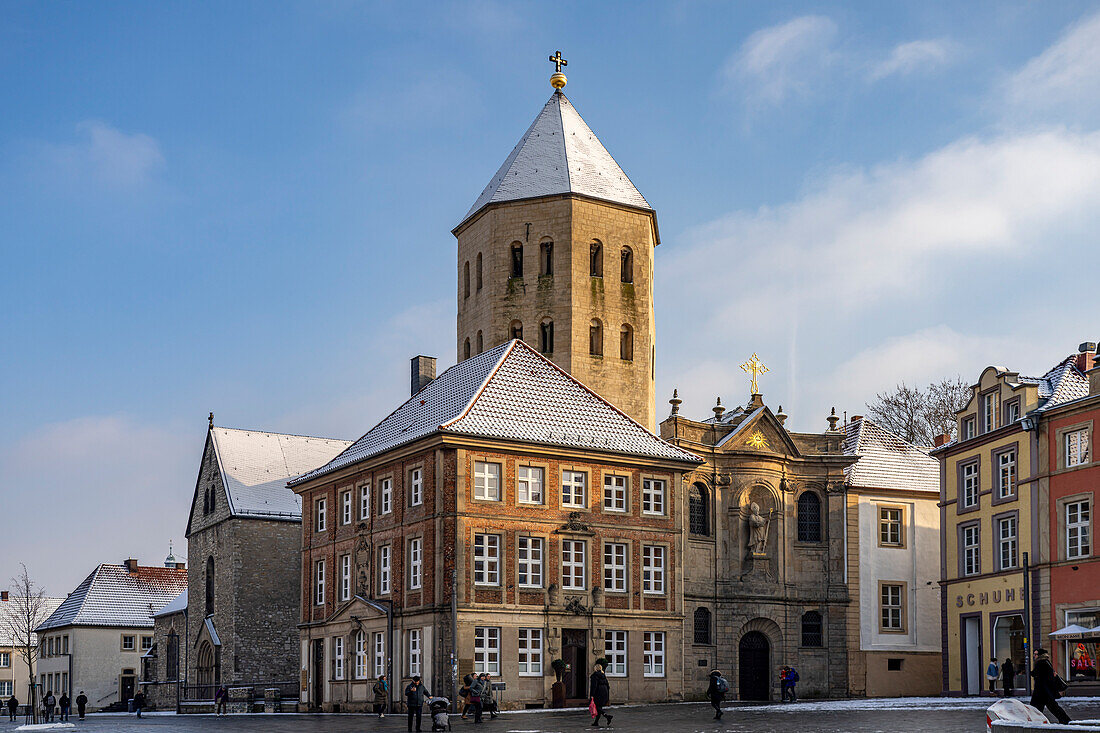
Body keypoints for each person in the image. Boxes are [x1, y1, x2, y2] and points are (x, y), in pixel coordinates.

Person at [1031, 648, 1071, 724]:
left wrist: (1032, 673)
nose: (1034, 656)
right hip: (1045, 690)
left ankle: (1065, 720)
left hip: (1042, 690)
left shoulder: (1041, 663)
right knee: (1050, 707)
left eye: (1035, 654)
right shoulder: (1045, 662)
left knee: (1037, 708)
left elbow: (1037, 674)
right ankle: (1065, 719)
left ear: (1040, 655)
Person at [589, 663, 612, 728]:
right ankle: (596, 722)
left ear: (595, 668)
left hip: (598, 692)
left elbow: (594, 686)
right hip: (604, 692)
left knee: (596, 707)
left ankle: (607, 716)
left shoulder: (594, 675)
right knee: (599, 707)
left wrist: (592, 695)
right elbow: (608, 686)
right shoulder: (603, 675)